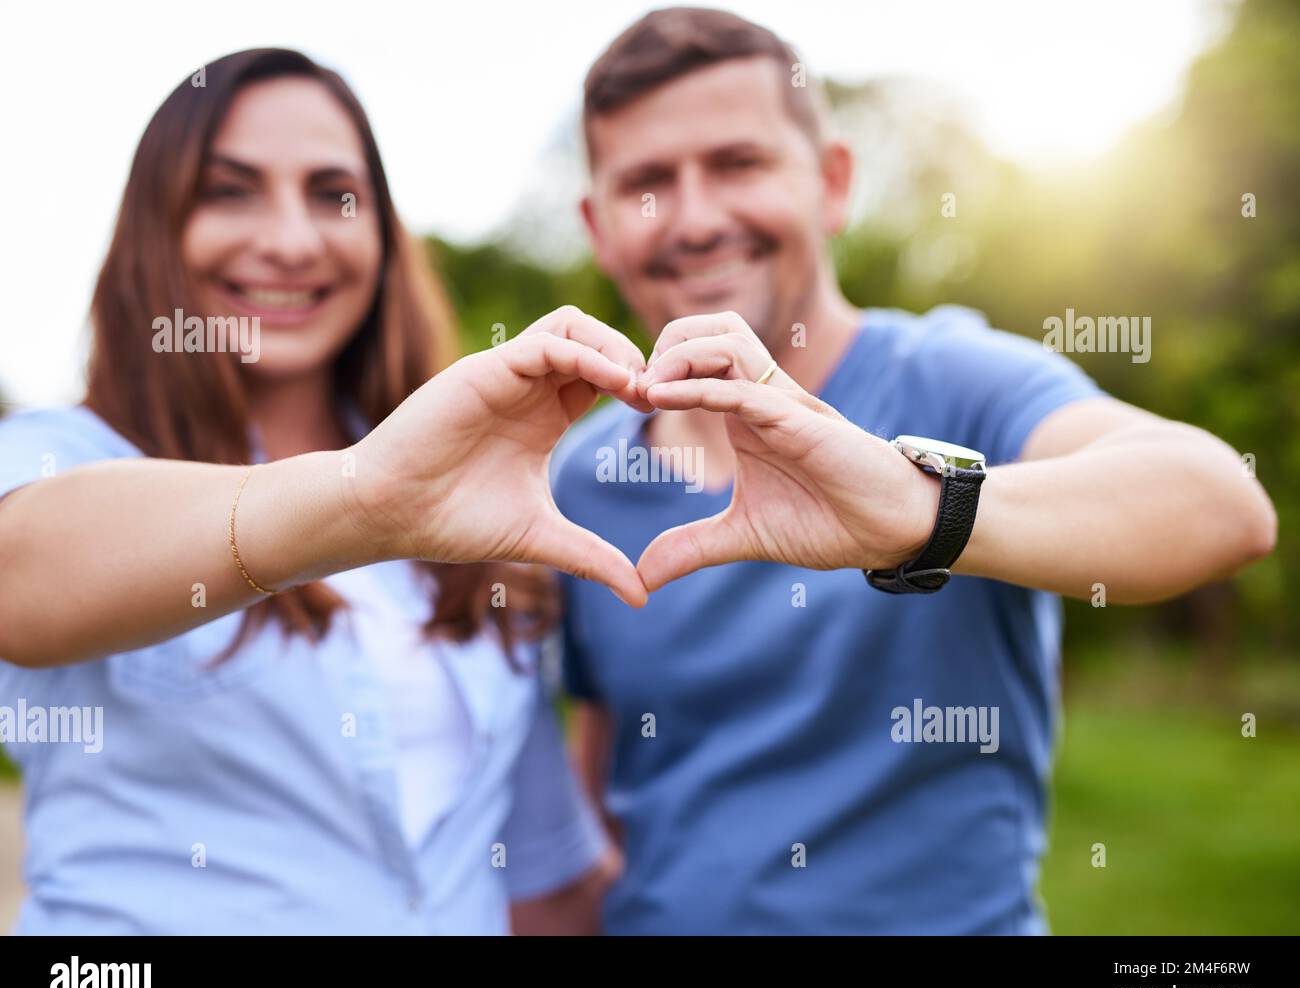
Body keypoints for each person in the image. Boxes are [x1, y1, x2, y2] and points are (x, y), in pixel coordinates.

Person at [551, 8, 1278, 933]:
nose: (695, 219)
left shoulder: (955, 382)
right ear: (598, 224)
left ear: (832, 182)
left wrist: (913, 506)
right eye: (648, 183)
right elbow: (607, 771)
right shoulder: (579, 480)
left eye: (738, 164)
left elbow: (1222, 505)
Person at [0, 48, 651, 935]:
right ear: (158, 229)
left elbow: (542, 881)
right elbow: (19, 574)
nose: (291, 239)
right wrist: (364, 500)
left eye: (331, 194)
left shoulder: (483, 498)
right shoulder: (59, 454)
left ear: (382, 233)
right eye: (230, 191)